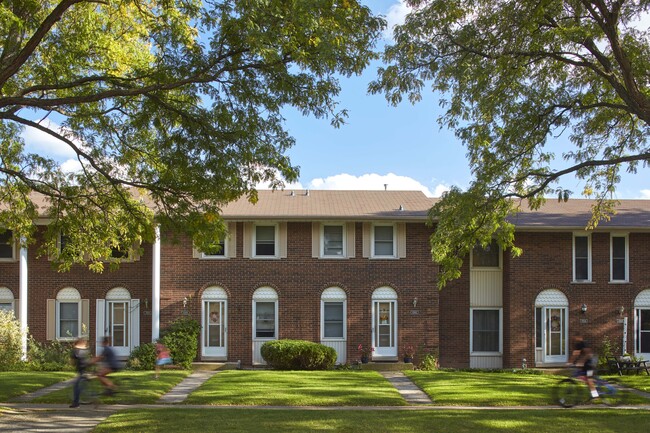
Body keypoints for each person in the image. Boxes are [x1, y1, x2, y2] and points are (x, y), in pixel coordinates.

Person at [70, 337, 90, 408]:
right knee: (81, 386)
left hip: (81, 371)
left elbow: (73, 363)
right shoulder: (84, 350)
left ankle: (76, 403)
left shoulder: (75, 351)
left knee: (76, 387)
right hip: (85, 370)